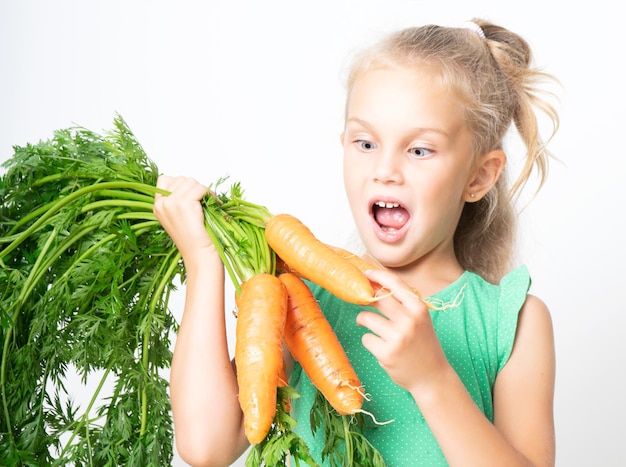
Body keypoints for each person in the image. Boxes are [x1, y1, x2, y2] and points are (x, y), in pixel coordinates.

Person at [153, 17, 558, 467]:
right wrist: (202, 262)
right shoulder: (299, 299)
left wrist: (433, 380)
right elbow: (206, 446)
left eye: (419, 150)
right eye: (366, 143)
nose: (385, 169)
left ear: (479, 176)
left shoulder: (512, 321)